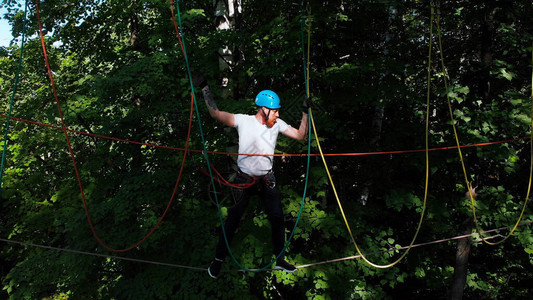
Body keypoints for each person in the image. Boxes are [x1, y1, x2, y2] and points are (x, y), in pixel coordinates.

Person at [198, 81, 310, 279]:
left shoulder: (277, 124)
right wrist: (206, 90)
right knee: (232, 220)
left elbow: (301, 136)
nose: (278, 114)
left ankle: (280, 259)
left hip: (267, 180)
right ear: (264, 109)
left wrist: (305, 112)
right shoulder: (244, 121)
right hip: (244, 179)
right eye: (275, 111)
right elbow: (215, 114)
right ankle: (218, 260)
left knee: (277, 219)